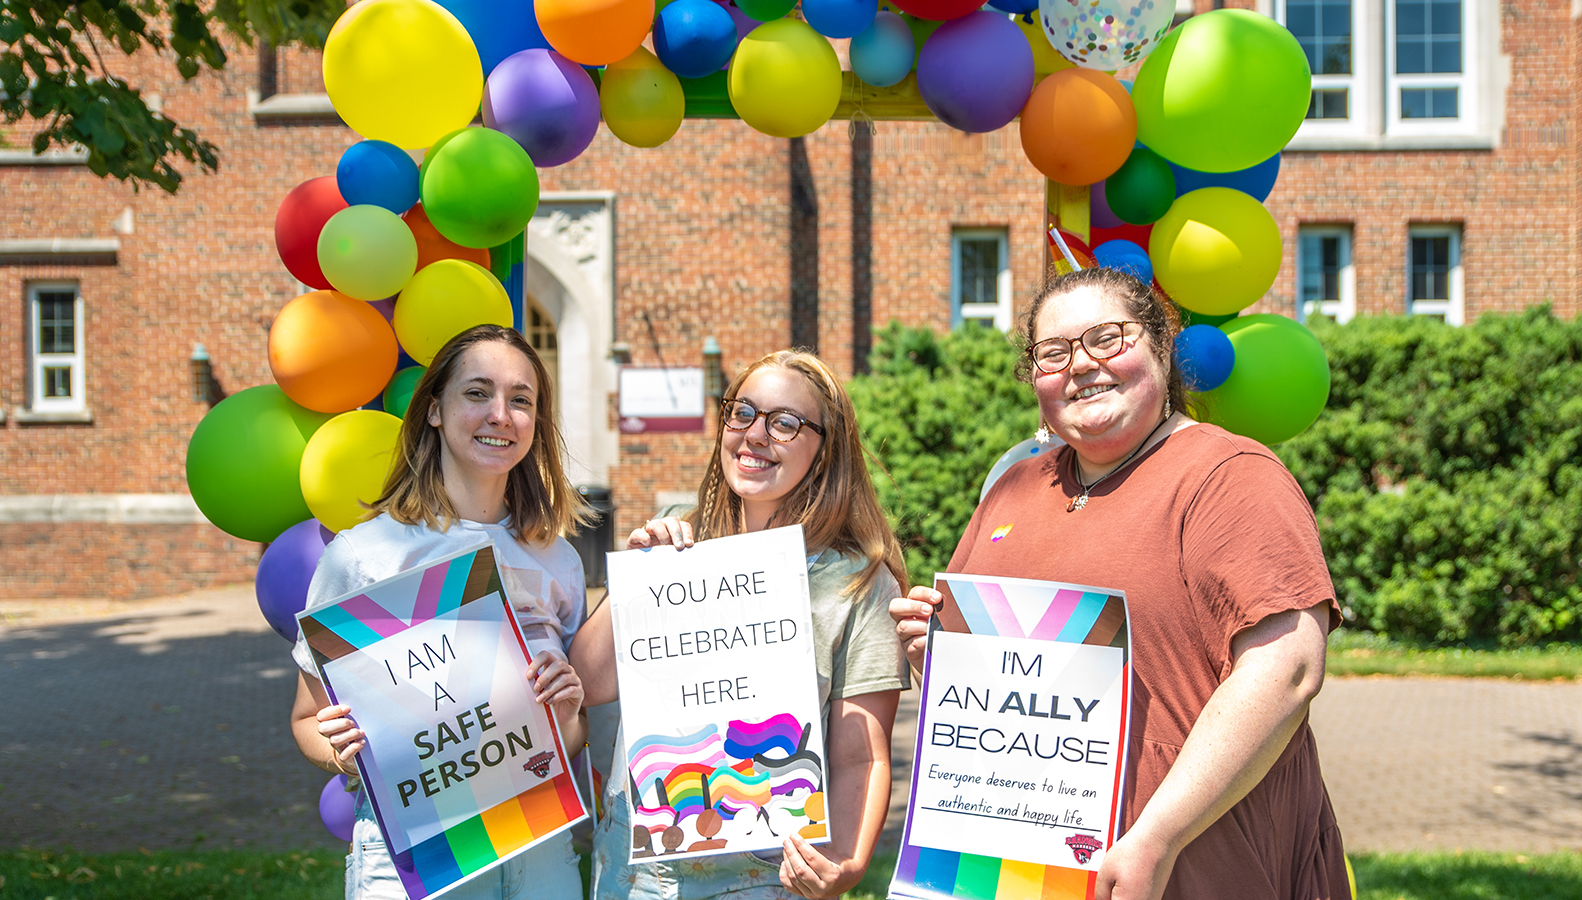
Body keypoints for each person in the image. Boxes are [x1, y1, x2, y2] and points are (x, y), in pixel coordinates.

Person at [891, 268, 1350, 900]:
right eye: (1052, 354)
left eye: (1107, 338)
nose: (1080, 365)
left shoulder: (1230, 475)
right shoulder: (1013, 490)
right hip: (1024, 867)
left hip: (1189, 861)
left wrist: (1156, 838)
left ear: (1162, 346)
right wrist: (939, 653)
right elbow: (1003, 678)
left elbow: (1289, 669)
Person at [569, 349, 909, 900]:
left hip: (763, 874)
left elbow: (860, 753)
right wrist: (634, 584)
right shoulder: (678, 548)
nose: (754, 435)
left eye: (785, 423)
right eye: (742, 413)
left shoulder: (858, 583)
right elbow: (589, 683)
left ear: (826, 451)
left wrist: (843, 863)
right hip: (636, 869)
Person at [289, 324, 591, 900]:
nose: (500, 414)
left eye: (520, 400)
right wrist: (343, 752)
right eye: (477, 393)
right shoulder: (363, 557)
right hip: (414, 852)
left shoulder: (558, 560)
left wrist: (569, 712)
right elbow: (307, 722)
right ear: (434, 410)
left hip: (540, 844)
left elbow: (567, 737)